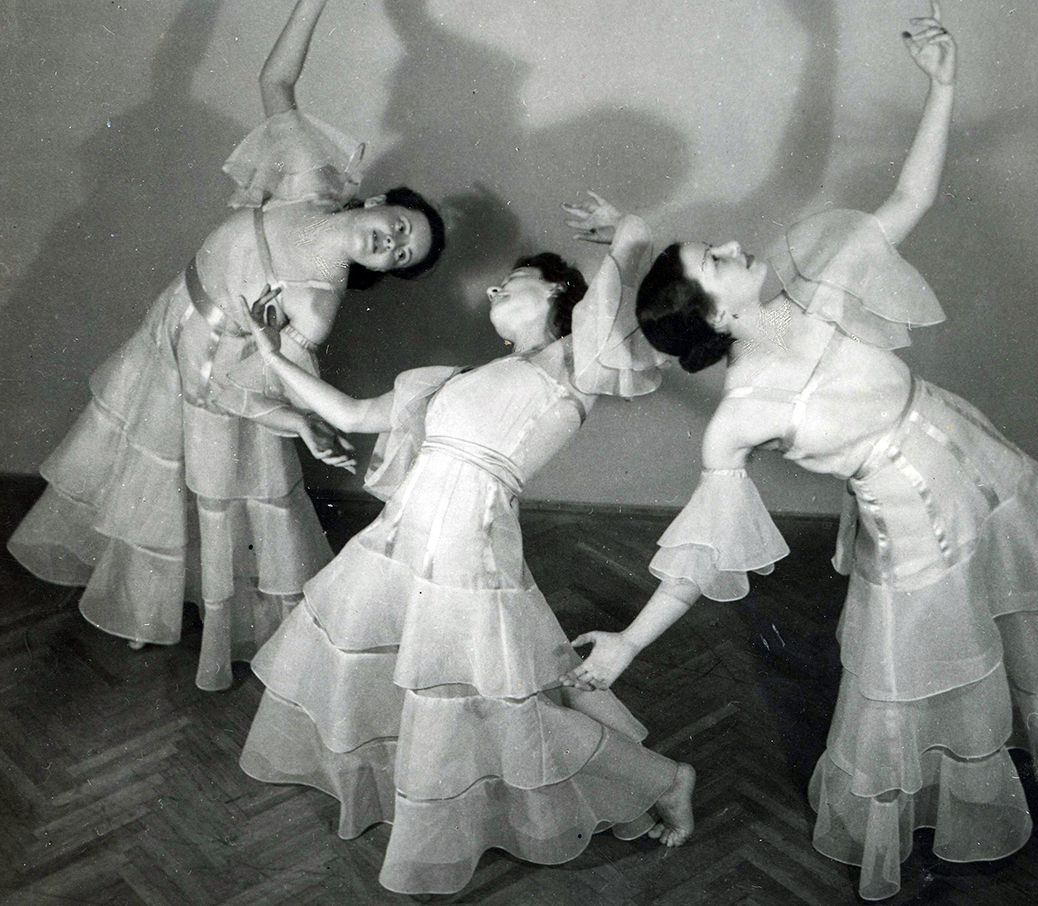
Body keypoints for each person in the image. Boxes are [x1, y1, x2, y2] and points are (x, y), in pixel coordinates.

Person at [564, 0, 1038, 900]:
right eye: (719, 260)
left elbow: (910, 196)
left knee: (1024, 608)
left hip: (976, 461)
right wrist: (626, 642)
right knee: (934, 665)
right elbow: (701, 552)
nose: (737, 243)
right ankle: (946, 819)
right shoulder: (740, 414)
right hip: (913, 529)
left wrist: (944, 85)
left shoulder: (816, 286)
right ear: (715, 313)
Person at [7, 0, 446, 691]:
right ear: (378, 201)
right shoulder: (308, 178)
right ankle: (140, 604)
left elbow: (264, 386)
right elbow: (276, 81)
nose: (392, 243)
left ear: (381, 272)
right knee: (146, 467)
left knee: (212, 493)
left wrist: (298, 419)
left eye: (401, 256)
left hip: (219, 378)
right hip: (172, 326)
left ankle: (212, 639)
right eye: (401, 227)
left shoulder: (316, 303)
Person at [236, 195, 694, 896]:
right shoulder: (451, 381)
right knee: (448, 687)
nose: (493, 289)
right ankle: (424, 807)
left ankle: (663, 779)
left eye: (514, 280)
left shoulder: (576, 362)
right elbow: (350, 413)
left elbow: (614, 288)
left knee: (501, 703)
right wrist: (272, 354)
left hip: (469, 548)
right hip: (404, 543)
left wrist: (626, 234)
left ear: (559, 293)